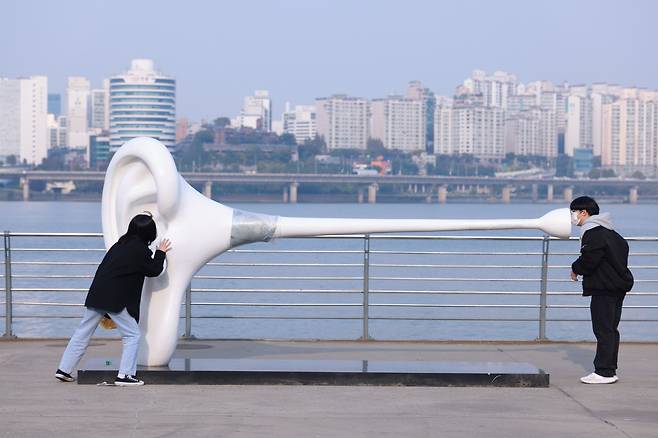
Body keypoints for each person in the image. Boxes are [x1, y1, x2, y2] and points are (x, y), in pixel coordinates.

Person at [55, 213, 172, 386]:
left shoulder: (120, 244)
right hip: (116, 299)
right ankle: (125, 376)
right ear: (150, 234)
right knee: (132, 335)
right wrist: (161, 252)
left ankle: (64, 370)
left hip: (97, 294)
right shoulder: (140, 250)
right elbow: (154, 270)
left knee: (82, 333)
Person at [570, 196, 633, 384]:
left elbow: (590, 259)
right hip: (617, 286)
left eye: (573, 212)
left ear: (584, 212)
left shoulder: (592, 232)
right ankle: (609, 370)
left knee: (603, 329)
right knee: (611, 329)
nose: (572, 216)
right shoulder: (611, 233)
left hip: (604, 287)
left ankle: (604, 372)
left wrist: (575, 268)